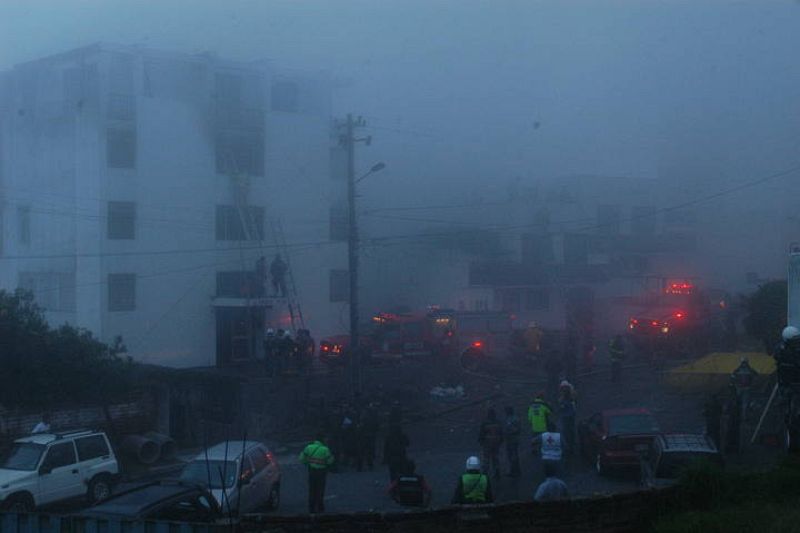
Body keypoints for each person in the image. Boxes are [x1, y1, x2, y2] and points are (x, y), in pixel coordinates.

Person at [298, 433, 334, 513]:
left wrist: (307, 463)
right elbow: (330, 461)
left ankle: (311, 507)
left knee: (312, 489)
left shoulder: (309, 447)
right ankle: (320, 506)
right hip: (321, 472)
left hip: (311, 471)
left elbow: (301, 458)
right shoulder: (325, 449)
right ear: (323, 440)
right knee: (320, 489)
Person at [478, 408, 504, 479]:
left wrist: (480, 441)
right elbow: (501, 433)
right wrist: (501, 441)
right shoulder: (498, 422)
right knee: (495, 458)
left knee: (486, 458)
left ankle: (485, 473)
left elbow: (482, 433)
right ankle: (497, 472)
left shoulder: (485, 423)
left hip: (487, 443)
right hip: (496, 443)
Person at [357, 403, 380, 471]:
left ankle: (361, 466)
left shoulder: (365, 417)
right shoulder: (372, 417)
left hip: (365, 436)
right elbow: (376, 427)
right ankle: (367, 465)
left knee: (363, 451)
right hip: (368, 436)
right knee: (367, 451)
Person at [558, 382, 577, 458]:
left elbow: (562, 406)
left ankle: (568, 446)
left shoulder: (564, 397)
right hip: (571, 415)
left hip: (566, 416)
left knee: (566, 431)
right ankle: (571, 445)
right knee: (570, 430)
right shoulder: (571, 394)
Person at [503, 405, 521, 477]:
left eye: (506, 411)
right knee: (510, 455)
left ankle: (515, 470)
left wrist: (509, 432)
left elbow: (518, 429)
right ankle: (515, 470)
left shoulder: (514, 419)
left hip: (513, 440)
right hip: (509, 440)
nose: (505, 412)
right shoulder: (508, 418)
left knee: (514, 455)